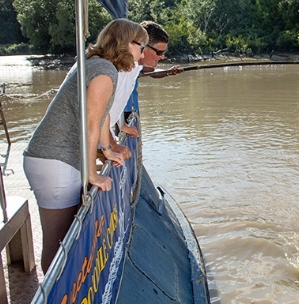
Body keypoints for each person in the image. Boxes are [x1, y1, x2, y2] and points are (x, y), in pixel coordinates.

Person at [23, 18, 148, 273]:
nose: (143, 53)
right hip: (56, 160)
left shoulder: (99, 65)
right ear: (125, 44)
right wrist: (92, 173)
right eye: (141, 46)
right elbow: (91, 124)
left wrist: (109, 148)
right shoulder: (104, 72)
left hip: (54, 159)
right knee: (60, 244)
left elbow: (101, 119)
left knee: (64, 239)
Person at [121, 20, 183, 133]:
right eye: (159, 52)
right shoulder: (120, 68)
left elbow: (152, 71)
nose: (163, 57)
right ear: (143, 46)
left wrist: (169, 72)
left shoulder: (136, 66)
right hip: (122, 115)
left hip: (132, 113)